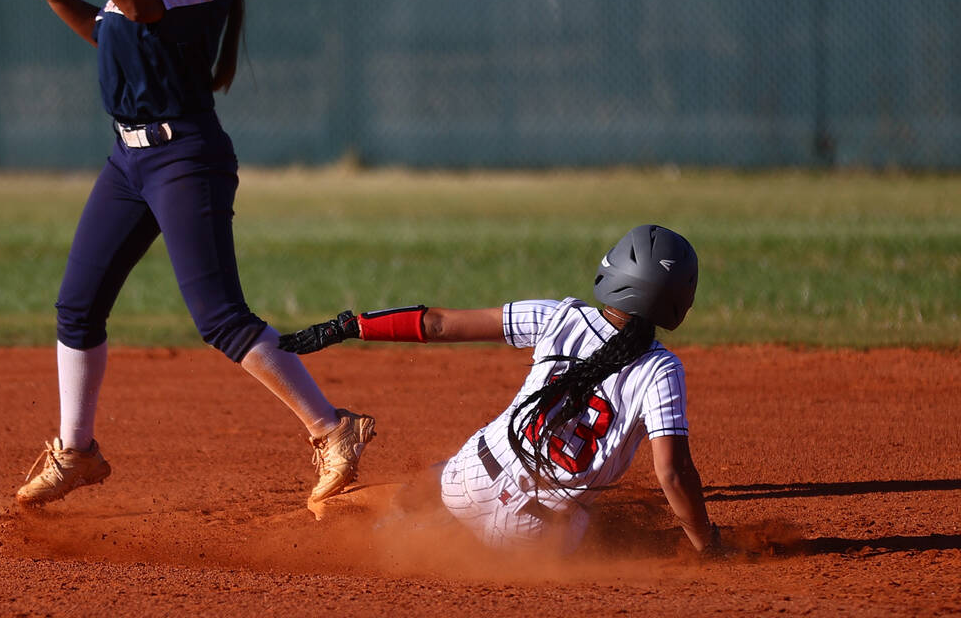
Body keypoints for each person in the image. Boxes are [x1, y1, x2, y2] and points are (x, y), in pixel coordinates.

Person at [5, 0, 374, 510]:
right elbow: (110, 23)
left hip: (184, 159)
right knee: (77, 306)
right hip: (128, 161)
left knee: (221, 318)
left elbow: (139, 6)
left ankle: (333, 428)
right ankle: (76, 452)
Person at [279, 225, 723, 555]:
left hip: (465, 478)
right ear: (678, 300)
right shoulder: (661, 370)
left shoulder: (560, 317)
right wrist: (708, 545)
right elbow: (672, 474)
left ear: (611, 271)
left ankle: (391, 529)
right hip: (534, 535)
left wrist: (351, 325)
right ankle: (445, 544)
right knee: (610, 531)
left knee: (439, 477)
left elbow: (437, 323)